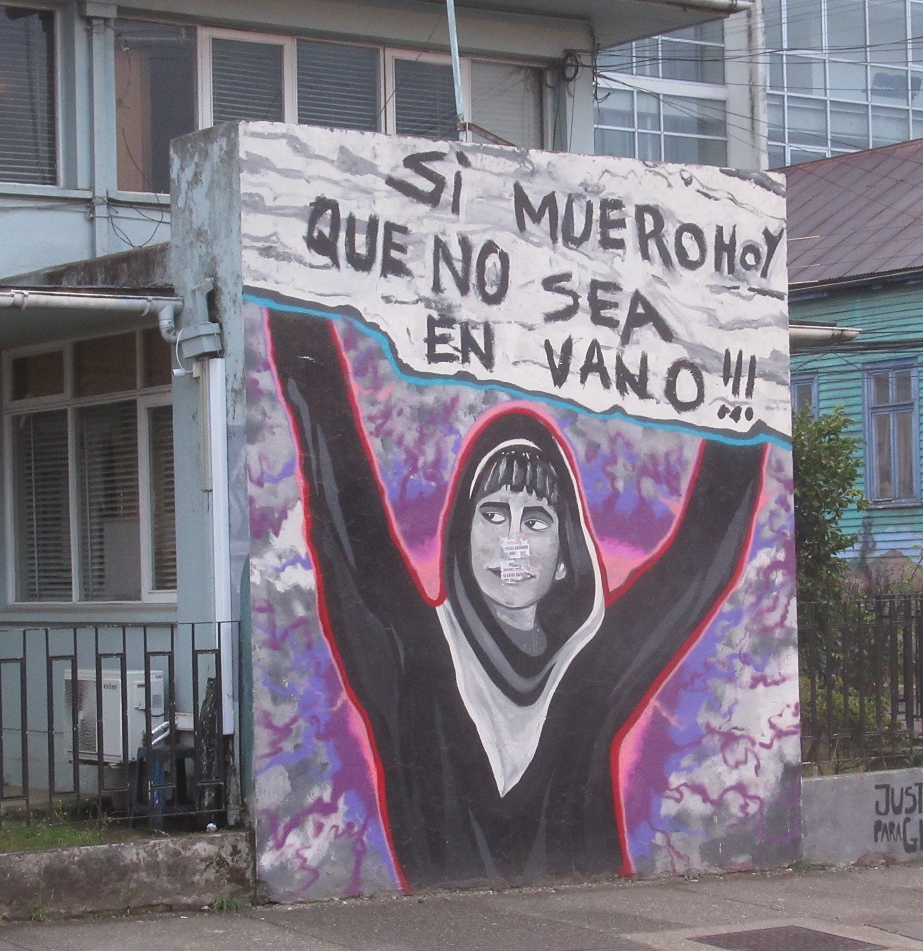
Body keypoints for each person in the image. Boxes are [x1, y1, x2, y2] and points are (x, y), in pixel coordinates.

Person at [265, 303, 766, 888]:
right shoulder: (412, 657)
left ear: (565, 556)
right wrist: (296, 303)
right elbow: (347, 505)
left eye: (535, 520)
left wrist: (744, 383)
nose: (513, 541)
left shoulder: (589, 668)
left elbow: (698, 560)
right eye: (494, 513)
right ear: (461, 535)